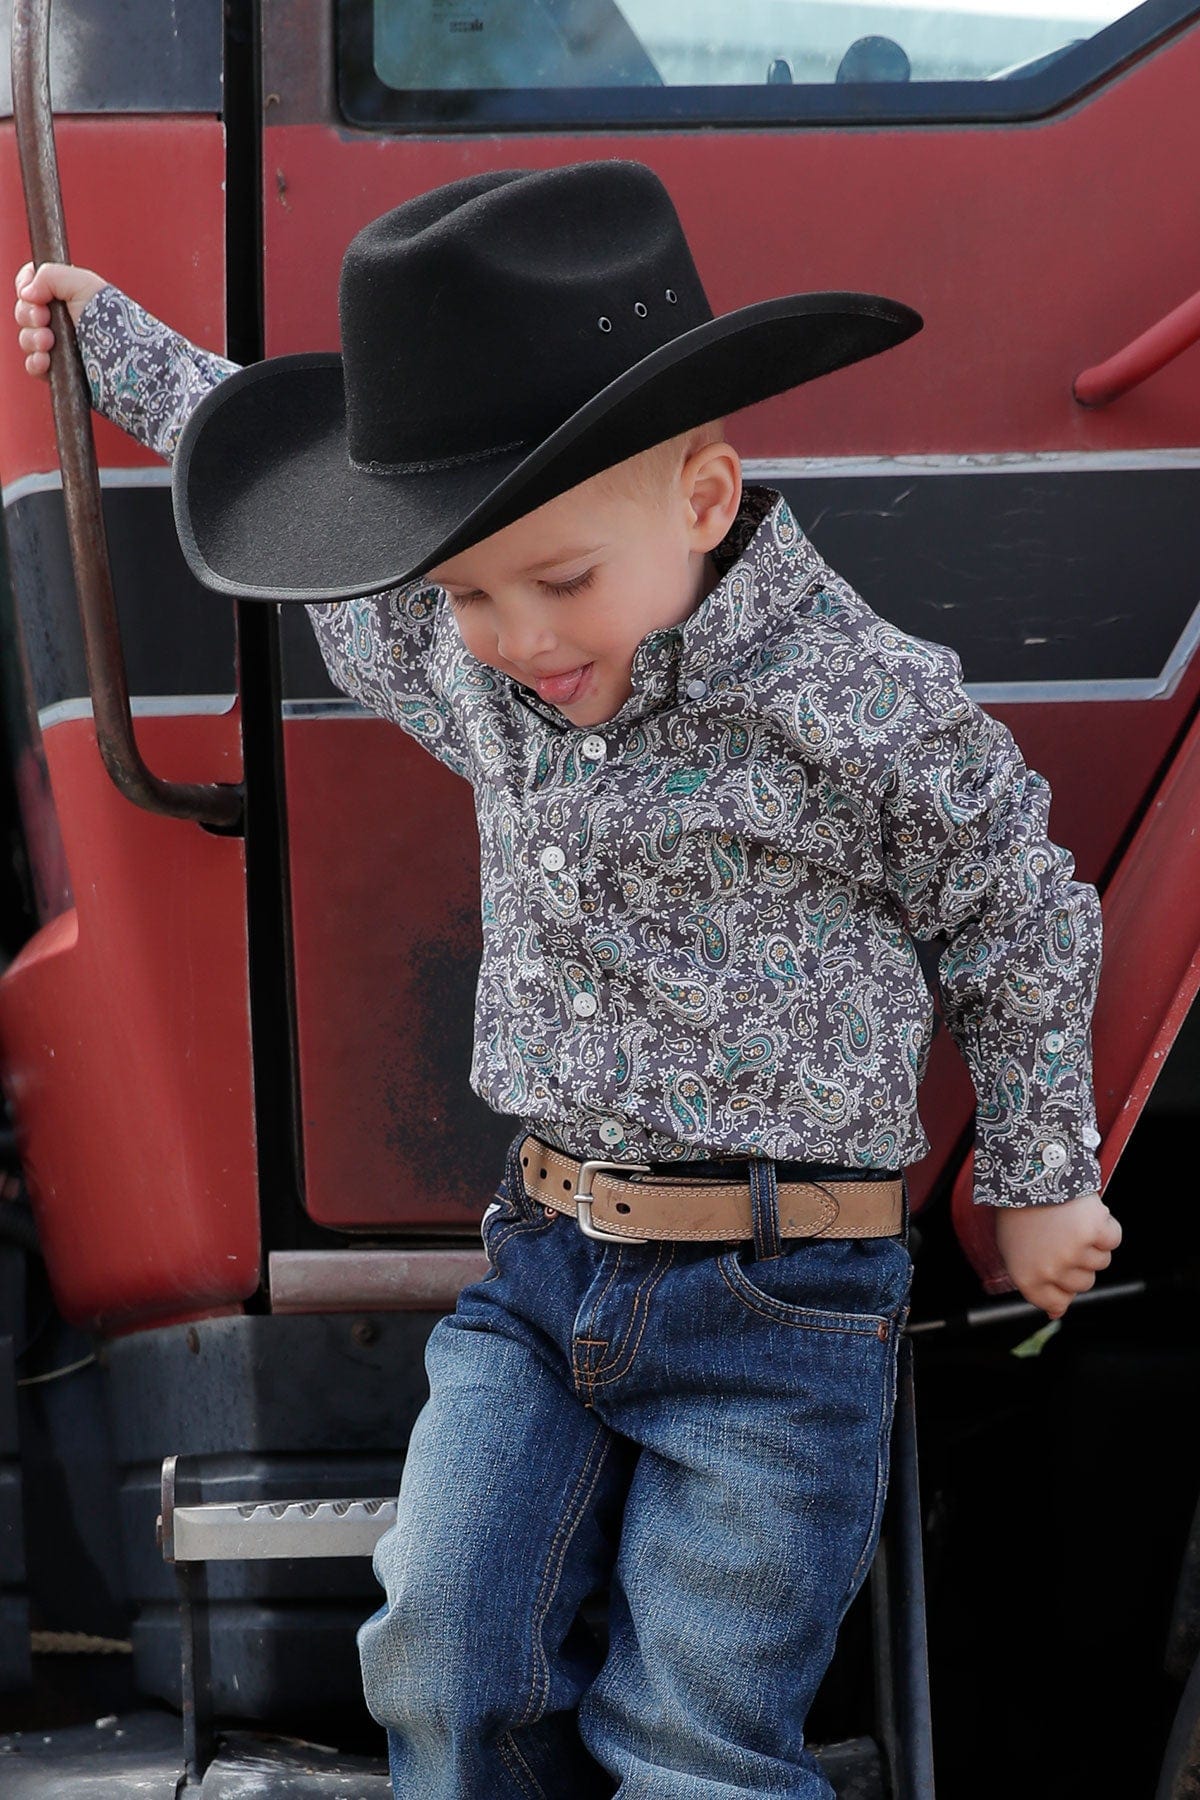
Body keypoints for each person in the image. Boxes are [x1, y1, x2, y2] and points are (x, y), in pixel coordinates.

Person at [15, 160, 1121, 1799]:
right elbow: (303, 508)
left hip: (781, 1310)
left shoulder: (861, 701)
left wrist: (1038, 1175)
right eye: (467, 592)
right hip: (542, 1275)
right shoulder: (477, 665)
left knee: (694, 1735)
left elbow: (1014, 907)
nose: (517, 636)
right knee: (441, 1656)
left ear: (703, 497)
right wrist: (117, 347)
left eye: (559, 582)